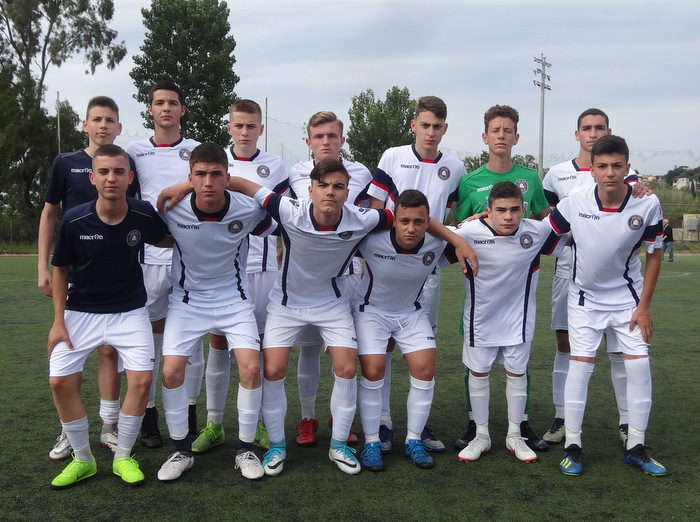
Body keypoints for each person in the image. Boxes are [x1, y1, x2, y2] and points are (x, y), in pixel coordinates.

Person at [228, 159, 474, 476]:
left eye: (338, 186)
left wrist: (458, 240)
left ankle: (339, 445)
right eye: (323, 185)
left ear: (348, 193)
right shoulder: (289, 210)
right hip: (287, 303)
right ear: (311, 190)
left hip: (332, 303)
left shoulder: (362, 218)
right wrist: (185, 187)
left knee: (346, 368)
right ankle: (277, 446)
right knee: (273, 370)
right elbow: (244, 185)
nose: (330, 192)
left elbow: (416, 218)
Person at [47, 144, 171, 489]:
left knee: (142, 381)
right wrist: (58, 321)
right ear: (92, 178)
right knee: (59, 382)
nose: (111, 178)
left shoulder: (142, 213)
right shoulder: (74, 219)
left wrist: (203, 235)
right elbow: (60, 269)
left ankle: (123, 456)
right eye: (103, 172)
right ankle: (83, 459)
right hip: (79, 311)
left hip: (129, 311)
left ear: (130, 177)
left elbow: (167, 239)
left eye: (118, 171)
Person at [155, 143, 275, 482]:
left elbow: (281, 214)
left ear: (227, 177)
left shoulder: (248, 209)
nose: (208, 182)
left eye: (216, 174)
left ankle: (245, 449)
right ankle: (181, 451)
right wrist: (179, 189)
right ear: (190, 177)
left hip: (234, 301)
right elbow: (150, 231)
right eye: (200, 175)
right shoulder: (170, 208)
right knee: (171, 372)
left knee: (251, 367)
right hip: (187, 302)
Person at [549, 135, 666, 477]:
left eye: (617, 166)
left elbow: (655, 253)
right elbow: (544, 236)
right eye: (602, 166)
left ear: (628, 168)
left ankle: (636, 446)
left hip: (628, 300)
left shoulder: (647, 203)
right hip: (585, 300)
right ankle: (573, 445)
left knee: (639, 366)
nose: (610, 173)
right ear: (593, 170)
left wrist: (644, 307)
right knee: (581, 366)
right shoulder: (575, 202)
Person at [38, 96, 137, 461]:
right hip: (73, 274)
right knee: (70, 350)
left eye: (110, 120)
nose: (103, 125)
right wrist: (42, 265)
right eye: (96, 119)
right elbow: (50, 213)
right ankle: (70, 430)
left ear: (119, 127)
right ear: (85, 124)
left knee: (110, 350)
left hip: (113, 275)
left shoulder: (124, 164)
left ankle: (109, 425)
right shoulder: (65, 163)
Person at [187, 99, 288, 454]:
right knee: (217, 342)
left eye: (251, 126)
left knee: (255, 347)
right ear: (229, 128)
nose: (245, 132)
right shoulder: (217, 164)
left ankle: (256, 421)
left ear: (261, 129)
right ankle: (214, 423)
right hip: (223, 270)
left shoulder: (275, 165)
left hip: (263, 270)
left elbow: (282, 214)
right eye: (239, 125)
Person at [367, 95, 465, 454]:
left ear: (445, 128)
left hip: (427, 266)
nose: (431, 132)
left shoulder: (455, 167)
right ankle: (383, 421)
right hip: (387, 263)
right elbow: (376, 211)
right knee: (384, 348)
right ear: (413, 125)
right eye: (425, 125)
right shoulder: (392, 157)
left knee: (422, 347)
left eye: (437, 126)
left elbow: (450, 216)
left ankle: (417, 428)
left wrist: (454, 237)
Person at [540, 108, 645, 445]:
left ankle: (627, 422)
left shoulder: (629, 175)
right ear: (577, 134)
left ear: (608, 132)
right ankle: (562, 418)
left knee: (619, 350)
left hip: (617, 280)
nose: (593, 133)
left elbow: (637, 209)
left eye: (600, 127)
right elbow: (549, 223)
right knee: (566, 344)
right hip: (570, 272)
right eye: (587, 127)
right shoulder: (556, 175)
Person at [356, 189, 478, 472]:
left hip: (411, 312)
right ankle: (372, 441)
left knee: (425, 370)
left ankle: (413, 439)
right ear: (394, 219)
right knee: (373, 371)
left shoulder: (438, 241)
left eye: (419, 222)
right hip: (371, 312)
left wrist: (464, 235)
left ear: (428, 222)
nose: (411, 228)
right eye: (405, 221)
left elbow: (480, 228)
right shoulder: (371, 238)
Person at [452, 104, 549, 453]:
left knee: (517, 366)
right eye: (496, 130)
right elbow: (455, 229)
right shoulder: (469, 181)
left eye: (507, 130)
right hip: (481, 297)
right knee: (476, 366)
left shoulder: (531, 180)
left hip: (518, 295)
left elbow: (550, 220)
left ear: (516, 137)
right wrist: (464, 231)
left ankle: (518, 429)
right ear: (485, 136)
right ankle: (477, 428)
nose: (501, 136)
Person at [452, 181, 566, 464]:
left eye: (515, 210)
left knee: (517, 374)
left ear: (523, 209)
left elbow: (579, 229)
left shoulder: (536, 231)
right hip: (480, 321)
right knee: (478, 374)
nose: (508, 217)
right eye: (501, 210)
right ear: (488, 210)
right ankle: (481, 435)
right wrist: (462, 226)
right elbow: (429, 230)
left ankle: (515, 435)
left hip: (519, 321)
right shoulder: (468, 233)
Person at [287, 111, 371, 447]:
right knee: (308, 350)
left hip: (348, 276)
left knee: (345, 354)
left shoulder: (361, 172)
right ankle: (308, 417)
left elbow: (369, 218)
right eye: (319, 136)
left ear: (342, 140)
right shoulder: (294, 172)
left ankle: (342, 419)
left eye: (332, 136)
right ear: (308, 142)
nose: (325, 142)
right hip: (306, 277)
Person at [126, 80, 201, 448]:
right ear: (150, 110)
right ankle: (149, 414)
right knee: (150, 340)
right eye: (160, 103)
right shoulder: (135, 151)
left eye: (173, 102)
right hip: (151, 259)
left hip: (193, 257)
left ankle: (190, 412)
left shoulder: (197, 150)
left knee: (193, 338)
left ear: (182, 109)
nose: (166, 108)